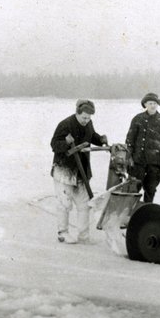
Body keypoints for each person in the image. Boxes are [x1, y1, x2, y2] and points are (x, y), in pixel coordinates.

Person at [50, 99, 108, 243]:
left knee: (84, 204)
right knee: (65, 203)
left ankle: (83, 236)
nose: (86, 120)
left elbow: (91, 135)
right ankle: (63, 233)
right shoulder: (65, 124)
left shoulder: (88, 123)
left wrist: (100, 140)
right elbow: (54, 144)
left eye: (89, 118)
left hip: (82, 171)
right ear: (77, 113)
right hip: (65, 170)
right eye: (84, 117)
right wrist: (66, 143)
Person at [125, 93, 160, 203]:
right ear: (145, 104)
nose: (153, 106)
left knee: (150, 190)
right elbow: (129, 141)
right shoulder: (137, 119)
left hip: (155, 165)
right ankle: (130, 215)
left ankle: (146, 213)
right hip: (137, 162)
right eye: (150, 103)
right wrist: (129, 159)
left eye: (155, 103)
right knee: (133, 190)